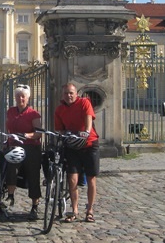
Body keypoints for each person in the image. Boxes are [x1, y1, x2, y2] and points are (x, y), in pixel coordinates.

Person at [54, 82, 100, 223]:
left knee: (91, 177)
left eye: (71, 93)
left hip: (89, 144)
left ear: (76, 94)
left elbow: (88, 121)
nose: (69, 95)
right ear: (63, 95)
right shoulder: (60, 110)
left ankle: (90, 210)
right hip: (72, 146)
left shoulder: (84, 103)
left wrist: (86, 132)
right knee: (72, 179)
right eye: (66, 93)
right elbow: (59, 129)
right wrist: (63, 134)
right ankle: (74, 210)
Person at [4, 84, 42, 220]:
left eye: (23, 96)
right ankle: (10, 196)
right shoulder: (11, 111)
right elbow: (7, 128)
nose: (20, 99)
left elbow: (38, 133)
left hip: (31, 147)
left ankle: (34, 205)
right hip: (14, 145)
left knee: (33, 175)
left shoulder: (33, 114)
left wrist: (27, 135)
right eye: (18, 96)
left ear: (27, 98)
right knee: (10, 169)